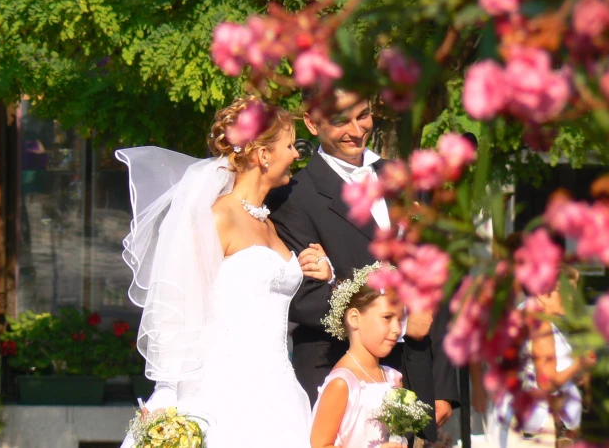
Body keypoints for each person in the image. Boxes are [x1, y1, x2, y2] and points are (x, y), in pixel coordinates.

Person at [117, 96, 332, 448]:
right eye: (290, 145)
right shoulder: (217, 217)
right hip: (223, 391)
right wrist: (168, 395)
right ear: (263, 155)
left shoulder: (270, 223)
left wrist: (320, 271)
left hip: (280, 391)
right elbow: (180, 309)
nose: (296, 154)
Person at [267, 88, 459, 444]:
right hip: (341, 381)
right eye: (341, 121)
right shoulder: (294, 197)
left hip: (414, 375)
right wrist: (394, 319)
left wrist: (444, 385)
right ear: (311, 122)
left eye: (364, 116)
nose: (356, 130)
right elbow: (305, 298)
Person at [492, 266, 596, 447]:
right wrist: (580, 363)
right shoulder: (540, 325)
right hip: (541, 431)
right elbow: (546, 382)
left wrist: (571, 373)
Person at [311, 264, 407, 448]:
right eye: (387, 318)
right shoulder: (342, 384)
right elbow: (320, 444)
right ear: (355, 318)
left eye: (400, 320)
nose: (397, 329)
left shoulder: (393, 378)